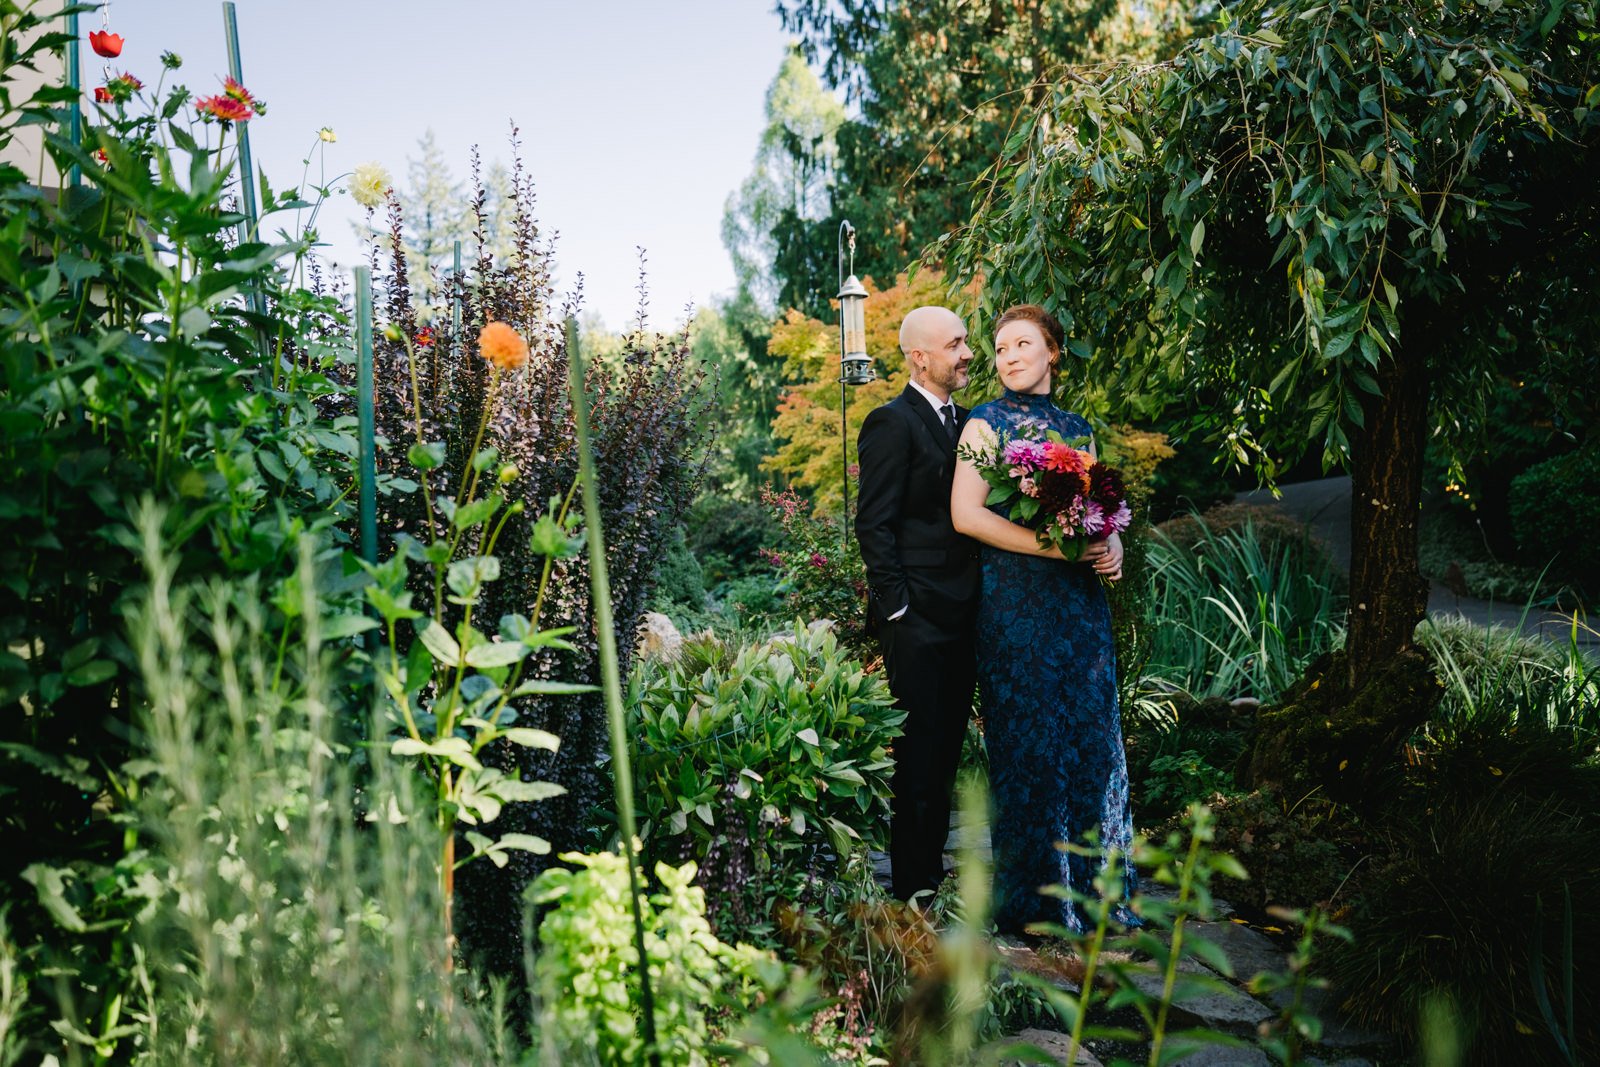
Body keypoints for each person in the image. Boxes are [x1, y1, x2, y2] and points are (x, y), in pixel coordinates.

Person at [949, 304, 1138, 936]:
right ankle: (1036, 909)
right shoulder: (985, 423)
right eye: (1000, 349)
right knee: (1029, 748)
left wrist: (1111, 545)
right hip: (1015, 608)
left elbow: (1102, 512)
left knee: (1091, 744)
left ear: (1053, 350)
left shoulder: (1078, 430)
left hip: (1079, 611)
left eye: (1022, 344)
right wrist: (1051, 548)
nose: (1008, 357)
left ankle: (1098, 899)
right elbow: (966, 516)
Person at [855, 305, 982, 901]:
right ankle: (912, 891)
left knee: (947, 753)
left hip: (966, 613)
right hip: (919, 621)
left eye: (965, 341)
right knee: (918, 761)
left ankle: (930, 878)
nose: (967, 353)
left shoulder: (970, 423)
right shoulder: (891, 422)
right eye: (955, 344)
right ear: (919, 357)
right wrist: (898, 610)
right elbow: (873, 524)